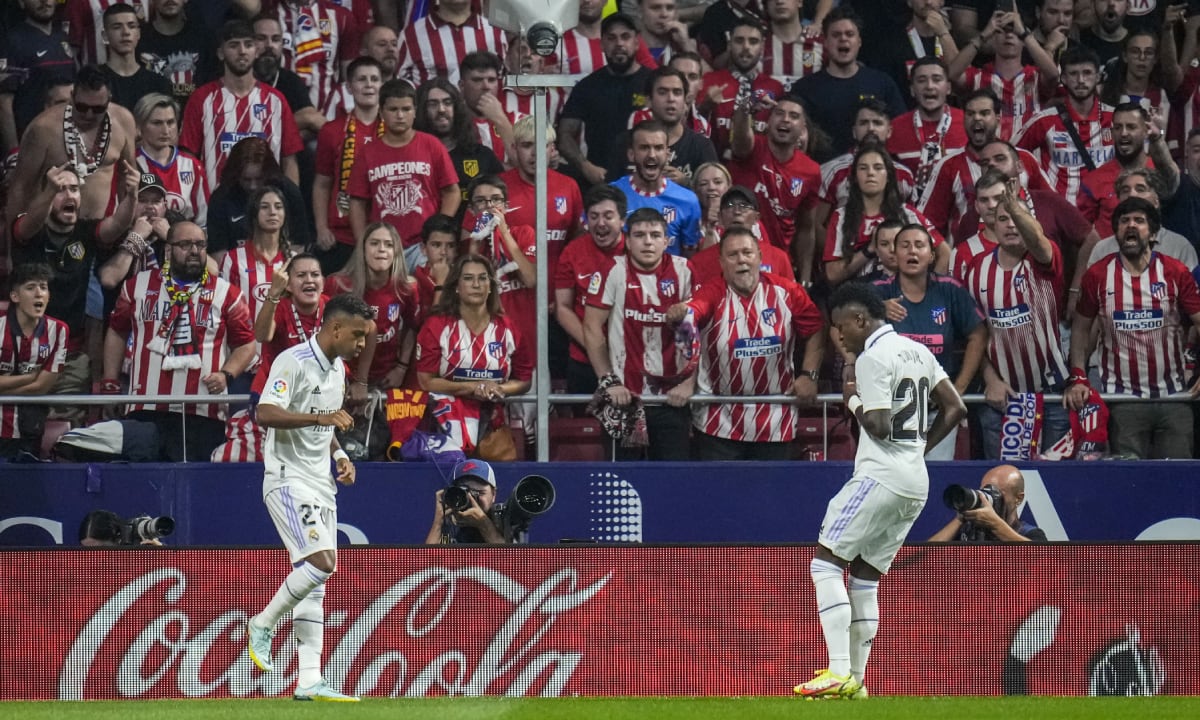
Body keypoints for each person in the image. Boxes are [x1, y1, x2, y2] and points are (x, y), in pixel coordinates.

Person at [794, 281, 965, 699]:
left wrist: (850, 397)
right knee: (865, 580)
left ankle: (837, 672)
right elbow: (957, 408)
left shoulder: (872, 358)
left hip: (879, 476)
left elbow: (880, 425)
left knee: (825, 564)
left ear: (859, 319)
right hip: (914, 481)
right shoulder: (919, 351)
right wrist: (918, 449)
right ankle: (856, 682)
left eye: (839, 327)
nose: (837, 336)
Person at [245, 292, 373, 703]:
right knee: (323, 563)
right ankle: (262, 624)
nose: (361, 344)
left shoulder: (337, 370)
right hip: (287, 478)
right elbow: (265, 413)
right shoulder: (293, 361)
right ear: (335, 327)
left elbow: (327, 424)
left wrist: (338, 454)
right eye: (357, 335)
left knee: (315, 584)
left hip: (321, 482)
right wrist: (321, 418)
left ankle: (309, 679)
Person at [101, 221, 257, 462]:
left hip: (204, 411)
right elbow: (117, 331)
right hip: (145, 407)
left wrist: (227, 374)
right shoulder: (137, 286)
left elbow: (247, 344)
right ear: (168, 250)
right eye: (185, 244)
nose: (194, 250)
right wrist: (110, 381)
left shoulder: (228, 293)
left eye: (200, 244)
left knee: (196, 490)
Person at [666, 226, 825, 460]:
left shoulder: (788, 292)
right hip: (718, 422)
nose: (741, 260)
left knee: (770, 497)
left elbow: (816, 331)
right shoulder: (711, 293)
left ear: (759, 257)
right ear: (721, 263)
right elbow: (692, 315)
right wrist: (681, 313)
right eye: (733, 255)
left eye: (747, 253)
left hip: (775, 422)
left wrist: (809, 375)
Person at [1067, 197, 1200, 459]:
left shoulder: (1175, 271)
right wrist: (1079, 376)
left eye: (1139, 221)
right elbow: (1081, 330)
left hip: (1174, 398)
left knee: (1177, 482)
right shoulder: (1098, 275)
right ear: (1115, 231)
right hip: (1122, 400)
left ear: (1152, 233)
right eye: (1124, 221)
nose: (1131, 226)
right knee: (1128, 480)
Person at [964, 191, 1072, 460]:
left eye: (1018, 218)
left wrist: (1014, 208)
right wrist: (991, 380)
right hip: (1001, 397)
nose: (1011, 224)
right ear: (992, 225)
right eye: (1003, 218)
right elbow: (975, 334)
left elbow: (1039, 242)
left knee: (1055, 485)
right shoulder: (976, 269)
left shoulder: (1044, 259)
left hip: (1052, 396)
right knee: (1001, 485)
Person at [583, 207, 694, 461]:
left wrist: (689, 382)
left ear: (667, 241)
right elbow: (591, 326)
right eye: (640, 235)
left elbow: (698, 330)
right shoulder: (612, 270)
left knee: (671, 482)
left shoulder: (685, 270)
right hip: (623, 399)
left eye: (655, 235)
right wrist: (608, 380)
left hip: (671, 399)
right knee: (622, 481)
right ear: (628, 240)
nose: (647, 241)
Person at [870, 224, 987, 459]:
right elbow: (840, 321)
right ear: (895, 254)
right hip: (891, 411)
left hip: (938, 412)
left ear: (931, 256)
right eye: (905, 246)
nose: (912, 251)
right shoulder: (877, 292)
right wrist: (876, 310)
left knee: (933, 482)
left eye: (919, 245)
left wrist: (959, 388)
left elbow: (978, 335)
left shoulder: (949, 290)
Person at [415, 254, 533, 454]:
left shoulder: (508, 328)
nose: (476, 284)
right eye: (468, 278)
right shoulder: (436, 326)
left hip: (493, 430)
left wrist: (498, 388)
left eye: (483, 278)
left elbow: (524, 380)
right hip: (445, 430)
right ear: (456, 286)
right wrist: (472, 388)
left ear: (491, 286)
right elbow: (426, 381)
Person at [348, 78, 461, 272]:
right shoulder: (368, 153)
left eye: (406, 109)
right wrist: (363, 244)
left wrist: (437, 232)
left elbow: (452, 192)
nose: (400, 115)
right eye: (393, 110)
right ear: (381, 112)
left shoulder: (431, 145)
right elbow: (357, 202)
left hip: (423, 246)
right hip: (384, 248)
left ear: (415, 111)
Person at [180, 20, 304, 192]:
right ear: (220, 53)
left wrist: (291, 202)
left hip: (265, 209)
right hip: (213, 210)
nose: (242, 51)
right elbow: (187, 158)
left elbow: (289, 159)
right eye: (234, 45)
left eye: (248, 45)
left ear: (256, 51)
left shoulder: (276, 100)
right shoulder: (201, 99)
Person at [6, 65, 137, 223]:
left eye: (97, 109)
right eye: (82, 107)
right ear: (72, 96)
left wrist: (125, 226)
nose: (88, 115)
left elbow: (128, 178)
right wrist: (14, 242)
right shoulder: (43, 128)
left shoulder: (123, 121)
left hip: (97, 231)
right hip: (48, 230)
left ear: (108, 99)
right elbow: (20, 188)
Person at [824, 143, 947, 286]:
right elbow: (832, 275)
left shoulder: (908, 214)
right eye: (863, 168)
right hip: (858, 298)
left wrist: (930, 289)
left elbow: (945, 253)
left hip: (905, 295)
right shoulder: (841, 217)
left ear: (888, 176)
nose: (870, 173)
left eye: (878, 168)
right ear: (855, 177)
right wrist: (869, 250)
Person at [728, 93, 821, 282]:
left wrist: (804, 278)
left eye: (794, 116)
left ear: (803, 128)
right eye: (779, 113)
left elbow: (806, 228)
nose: (785, 119)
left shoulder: (811, 171)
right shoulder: (752, 147)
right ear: (769, 121)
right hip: (738, 254)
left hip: (778, 262)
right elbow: (739, 137)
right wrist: (746, 110)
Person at [792, 7, 907, 156]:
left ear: (859, 41)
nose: (843, 39)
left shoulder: (882, 83)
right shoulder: (804, 89)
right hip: (822, 173)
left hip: (873, 173)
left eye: (849, 34)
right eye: (836, 35)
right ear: (825, 42)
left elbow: (901, 129)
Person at [558, 13, 654, 187]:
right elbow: (564, 135)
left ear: (636, 43)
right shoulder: (587, 86)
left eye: (625, 37)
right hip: (601, 181)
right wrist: (585, 166)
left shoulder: (654, 83)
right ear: (602, 44)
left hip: (647, 178)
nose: (619, 44)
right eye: (611, 38)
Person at [327, 223, 419, 402]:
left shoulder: (407, 287)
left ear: (397, 252)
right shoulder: (337, 285)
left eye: (388, 244)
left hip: (385, 378)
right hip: (341, 376)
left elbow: (412, 327)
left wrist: (401, 368)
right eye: (375, 243)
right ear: (362, 249)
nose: (381, 250)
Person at [1011, 46, 1114, 206]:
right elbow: (1010, 153)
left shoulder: (1114, 119)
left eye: (1087, 73)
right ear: (1063, 78)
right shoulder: (1044, 120)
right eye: (1073, 74)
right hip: (1059, 216)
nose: (1080, 80)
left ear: (1098, 77)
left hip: (1104, 216)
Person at [312, 56, 383, 276]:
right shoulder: (331, 131)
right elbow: (322, 183)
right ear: (350, 87)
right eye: (362, 79)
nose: (369, 84)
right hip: (341, 236)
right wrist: (322, 227)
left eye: (374, 79)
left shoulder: (396, 130)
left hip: (385, 234)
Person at [554, 185, 628, 398]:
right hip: (583, 359)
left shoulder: (635, 250)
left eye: (608, 216)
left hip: (630, 359)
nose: (600, 223)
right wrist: (595, 347)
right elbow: (563, 308)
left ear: (622, 220)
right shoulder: (573, 252)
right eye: (593, 216)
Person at [205, 137, 312, 264]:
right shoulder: (221, 198)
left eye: (259, 179)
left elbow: (298, 245)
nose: (253, 186)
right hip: (236, 271)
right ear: (236, 175)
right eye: (246, 179)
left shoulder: (288, 192)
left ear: (269, 173)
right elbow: (219, 255)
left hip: (282, 269)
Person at [0, 262, 69, 461]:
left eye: (43, 287)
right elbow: (36, 382)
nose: (39, 293)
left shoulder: (59, 331)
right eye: (31, 287)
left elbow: (42, 387)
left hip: (30, 427)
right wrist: (29, 377)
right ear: (15, 296)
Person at [610, 120, 703, 256]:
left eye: (658, 148)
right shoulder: (611, 196)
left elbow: (690, 256)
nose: (652, 155)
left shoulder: (688, 200)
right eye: (644, 148)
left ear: (667, 154)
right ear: (631, 154)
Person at [698, 18, 785, 161]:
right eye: (739, 40)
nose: (746, 47)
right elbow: (691, 126)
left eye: (753, 41)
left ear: (763, 46)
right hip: (713, 165)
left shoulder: (775, 88)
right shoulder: (709, 81)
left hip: (760, 169)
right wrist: (705, 107)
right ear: (729, 44)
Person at [414, 77, 505, 211]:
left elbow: (501, 202)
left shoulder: (482, 156)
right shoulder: (412, 157)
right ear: (421, 110)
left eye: (447, 103)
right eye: (433, 104)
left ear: (457, 108)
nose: (441, 109)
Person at [0, 0, 76, 155]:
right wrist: (14, 152)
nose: (44, 1)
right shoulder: (12, 41)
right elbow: (4, 102)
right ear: (21, 3)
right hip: (31, 142)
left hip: (66, 139)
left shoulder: (62, 37)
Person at [886, 57, 967, 198]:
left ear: (948, 88)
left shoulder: (967, 122)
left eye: (936, 79)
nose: (929, 86)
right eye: (921, 80)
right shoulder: (894, 128)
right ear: (912, 90)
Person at [269, 0, 360, 119]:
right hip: (276, 119)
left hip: (326, 118)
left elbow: (349, 78)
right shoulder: (267, 11)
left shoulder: (342, 17)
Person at [690, 185, 794, 288]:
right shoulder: (699, 262)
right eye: (730, 205)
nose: (737, 211)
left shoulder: (778, 258)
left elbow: (792, 299)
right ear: (720, 217)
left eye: (744, 206)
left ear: (756, 218)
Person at [133, 93, 209, 226]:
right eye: (157, 123)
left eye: (170, 122)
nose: (166, 130)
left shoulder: (192, 165)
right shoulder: (130, 164)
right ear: (140, 126)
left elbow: (204, 221)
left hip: (183, 244)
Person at [396, 0, 507, 87]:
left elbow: (505, 81)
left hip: (485, 115)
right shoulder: (411, 36)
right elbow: (401, 87)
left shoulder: (495, 33)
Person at [928, 464, 1049, 542]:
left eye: (997, 492)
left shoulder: (1029, 532)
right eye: (985, 491)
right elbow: (923, 557)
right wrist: (960, 519)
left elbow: (1041, 557)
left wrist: (995, 524)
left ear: (1018, 498)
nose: (989, 497)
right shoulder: (968, 530)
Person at [137, 0, 220, 110]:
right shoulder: (138, 39)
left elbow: (213, 87)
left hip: (197, 119)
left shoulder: (204, 38)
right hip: (151, 119)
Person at [96, 4, 173, 111]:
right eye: (117, 27)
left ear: (139, 34)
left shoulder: (158, 84)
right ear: (105, 36)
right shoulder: (94, 81)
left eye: (131, 26)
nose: (126, 32)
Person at [425, 459, 507, 544]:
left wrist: (484, 524)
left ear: (493, 494)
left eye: (479, 492)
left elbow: (510, 556)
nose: (471, 498)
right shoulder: (451, 524)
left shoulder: (501, 521)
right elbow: (430, 556)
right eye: (465, 491)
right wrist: (439, 522)